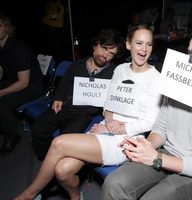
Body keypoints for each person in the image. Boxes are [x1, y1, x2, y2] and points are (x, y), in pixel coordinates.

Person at [14, 24, 162, 200]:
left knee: (58, 143)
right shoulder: (120, 70)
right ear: (129, 44)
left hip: (127, 140)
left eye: (149, 44)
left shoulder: (155, 79)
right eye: (139, 43)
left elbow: (149, 123)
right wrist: (107, 121)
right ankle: (76, 197)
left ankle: (27, 195)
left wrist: (113, 129)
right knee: (62, 171)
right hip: (106, 127)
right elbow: (108, 103)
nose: (144, 49)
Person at [100, 39, 192, 200]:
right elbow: (161, 127)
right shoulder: (178, 81)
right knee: (114, 183)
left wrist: (158, 159)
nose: (189, 59)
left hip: (187, 168)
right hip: (166, 152)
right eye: (190, 52)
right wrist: (144, 147)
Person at [31, 28, 126, 161]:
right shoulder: (78, 65)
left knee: (66, 141)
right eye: (104, 48)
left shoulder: (114, 72)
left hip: (82, 114)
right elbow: (65, 82)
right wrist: (58, 97)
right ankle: (46, 158)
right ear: (95, 45)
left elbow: (115, 98)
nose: (105, 56)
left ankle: (57, 164)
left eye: (111, 54)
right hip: (63, 107)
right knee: (37, 130)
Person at [0, 11, 44, 158]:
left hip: (33, 87)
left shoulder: (17, 48)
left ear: (7, 28)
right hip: (16, 82)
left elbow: (24, 82)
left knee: (0, 103)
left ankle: (11, 138)